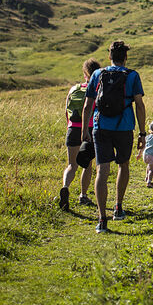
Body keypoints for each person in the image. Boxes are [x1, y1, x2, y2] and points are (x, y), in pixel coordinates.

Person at [81, 41, 146, 233]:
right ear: (125, 57)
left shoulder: (97, 74)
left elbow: (87, 105)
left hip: (100, 127)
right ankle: (118, 207)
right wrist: (142, 133)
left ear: (109, 56)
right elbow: (139, 105)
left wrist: (85, 130)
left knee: (102, 170)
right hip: (125, 127)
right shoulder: (132, 75)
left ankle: (102, 219)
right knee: (123, 165)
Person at [59, 58, 101, 211]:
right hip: (88, 130)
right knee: (87, 164)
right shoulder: (96, 90)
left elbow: (67, 112)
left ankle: (65, 186)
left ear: (85, 73)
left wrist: (71, 127)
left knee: (71, 165)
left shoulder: (73, 89)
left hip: (72, 129)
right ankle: (83, 195)